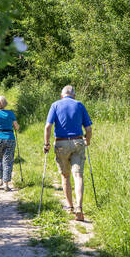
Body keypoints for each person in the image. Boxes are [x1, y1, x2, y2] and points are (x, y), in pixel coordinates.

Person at [43, 85, 92, 221]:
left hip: (61, 143)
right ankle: (79, 208)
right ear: (74, 95)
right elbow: (88, 129)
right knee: (78, 175)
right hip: (77, 142)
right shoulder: (79, 105)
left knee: (65, 176)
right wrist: (87, 141)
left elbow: (48, 126)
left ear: (61, 95)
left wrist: (46, 144)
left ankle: (70, 207)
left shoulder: (55, 105)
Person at [0, 96, 20, 191]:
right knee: (8, 161)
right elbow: (16, 127)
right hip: (10, 138)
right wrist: (16, 127)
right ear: (5, 103)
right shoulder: (10, 113)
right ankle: (6, 184)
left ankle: (0, 180)